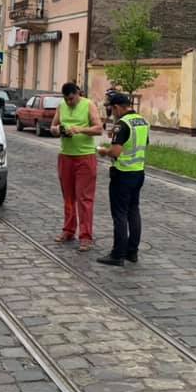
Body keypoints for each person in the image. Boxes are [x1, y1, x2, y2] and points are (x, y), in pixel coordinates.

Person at [96, 92, 149, 266]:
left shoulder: (122, 124)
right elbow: (142, 144)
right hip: (138, 172)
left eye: (112, 108)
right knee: (134, 211)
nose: (112, 112)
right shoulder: (142, 121)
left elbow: (116, 152)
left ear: (118, 107)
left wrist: (104, 151)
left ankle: (118, 254)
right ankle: (132, 252)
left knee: (119, 215)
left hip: (123, 174)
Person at [50, 81, 103, 251]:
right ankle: (68, 230)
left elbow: (98, 128)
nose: (69, 102)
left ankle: (86, 236)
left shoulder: (89, 105)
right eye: (66, 99)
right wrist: (57, 130)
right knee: (68, 197)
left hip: (85, 157)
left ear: (78, 93)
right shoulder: (61, 106)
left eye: (71, 99)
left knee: (84, 199)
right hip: (66, 157)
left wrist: (79, 130)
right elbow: (52, 127)